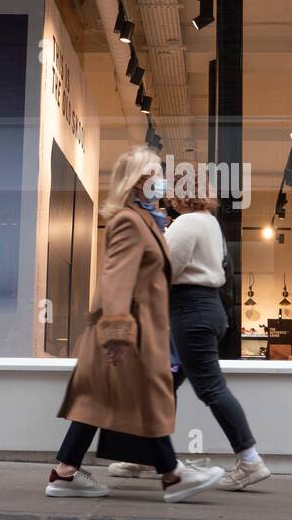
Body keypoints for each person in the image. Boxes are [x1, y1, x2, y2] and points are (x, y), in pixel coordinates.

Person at [47, 146, 225, 502]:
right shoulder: (130, 222)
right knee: (150, 399)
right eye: (156, 174)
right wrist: (117, 334)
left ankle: (65, 472)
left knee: (98, 401)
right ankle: (173, 475)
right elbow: (115, 278)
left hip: (135, 329)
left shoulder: (146, 221)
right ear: (139, 181)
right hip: (130, 331)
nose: (162, 181)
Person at [110, 192, 271, 490]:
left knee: (210, 387)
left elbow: (166, 268)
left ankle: (250, 460)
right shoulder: (210, 222)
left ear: (180, 196)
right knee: (163, 384)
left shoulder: (187, 222)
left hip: (190, 311)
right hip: (207, 309)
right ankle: (145, 454)